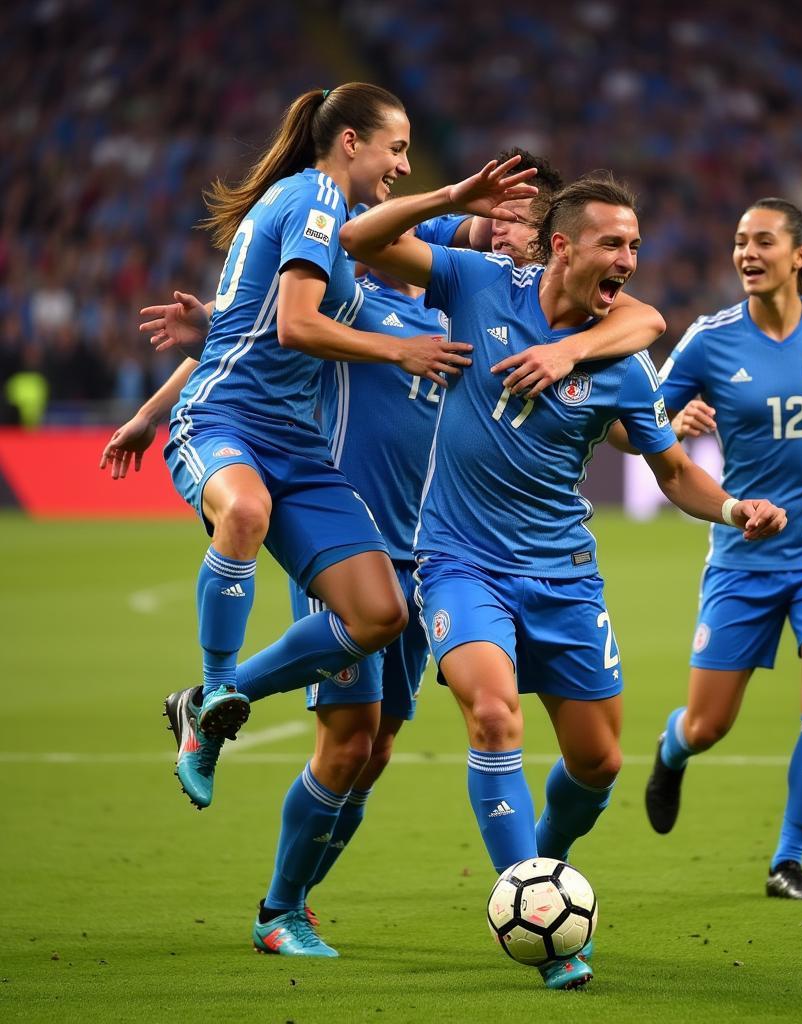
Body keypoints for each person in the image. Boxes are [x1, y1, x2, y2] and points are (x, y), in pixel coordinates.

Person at [103, 151, 667, 956]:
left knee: (375, 753)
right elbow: (250, 335)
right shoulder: (361, 294)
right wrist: (154, 412)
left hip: (429, 550)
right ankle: (278, 906)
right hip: (354, 538)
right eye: (503, 216)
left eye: (526, 221)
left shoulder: (489, 312)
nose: (512, 230)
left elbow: (638, 329)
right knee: (346, 741)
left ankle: (237, 764)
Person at [341, 169, 787, 989]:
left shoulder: (622, 357)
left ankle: (542, 865)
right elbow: (360, 241)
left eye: (636, 246)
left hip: (565, 575)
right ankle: (538, 920)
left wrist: (731, 510)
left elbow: (673, 470)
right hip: (460, 562)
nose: (628, 258)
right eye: (613, 242)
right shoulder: (476, 282)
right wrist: (448, 201)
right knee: (491, 712)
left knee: (600, 763)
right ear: (561, 245)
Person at [118, 82, 494, 958]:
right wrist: (401, 345)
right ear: (352, 142)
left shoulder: (348, 225)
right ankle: (212, 697)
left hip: (315, 459)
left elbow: (256, 317)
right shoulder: (317, 198)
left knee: (378, 621)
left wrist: (455, 207)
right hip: (229, 425)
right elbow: (290, 325)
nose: (402, 166)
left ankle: (214, 705)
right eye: (394, 151)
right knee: (243, 511)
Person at [636, 197, 802, 901]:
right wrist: (675, 419)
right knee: (709, 723)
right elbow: (641, 421)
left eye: (763, 241)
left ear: (799, 255)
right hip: (742, 554)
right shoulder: (708, 341)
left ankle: (788, 859)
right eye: (740, 241)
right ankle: (672, 747)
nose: (747, 254)